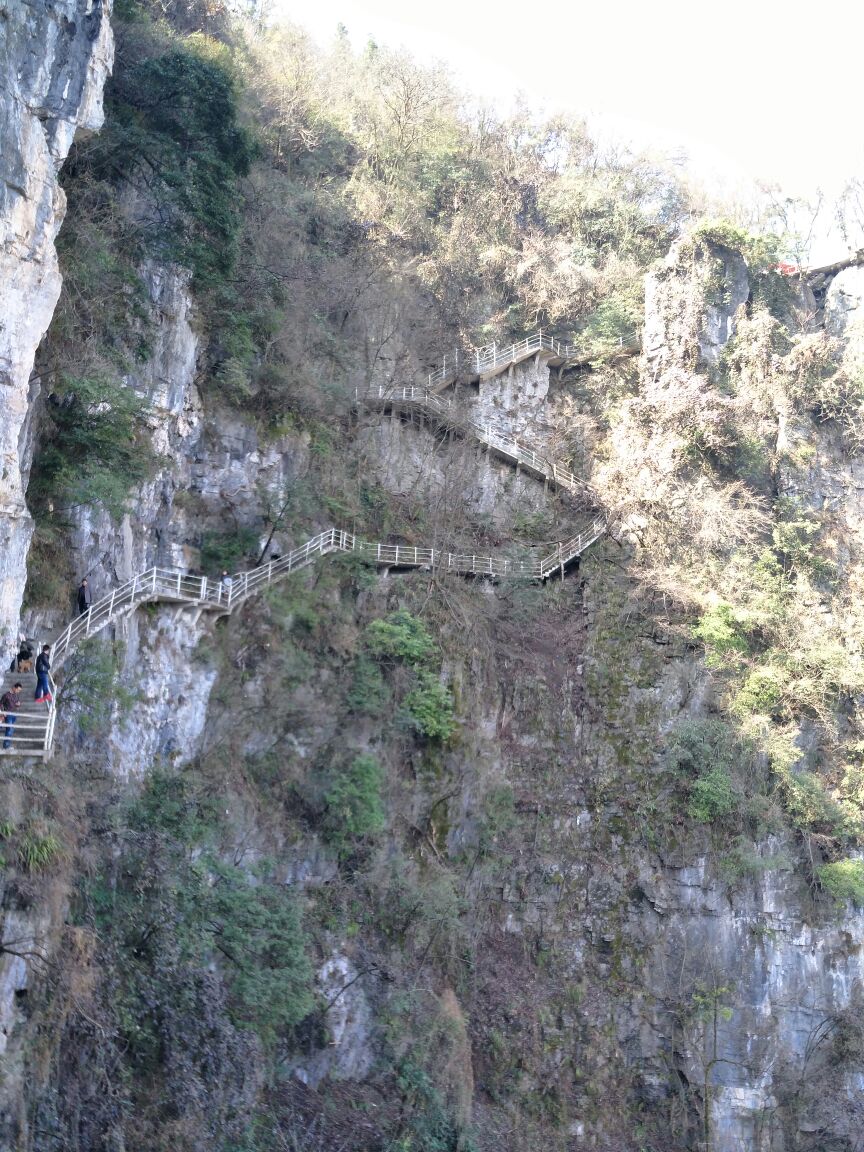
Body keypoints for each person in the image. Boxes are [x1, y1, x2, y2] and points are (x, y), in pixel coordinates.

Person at [1, 682, 22, 749]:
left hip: (14, 714)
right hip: (8, 714)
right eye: (18, 690)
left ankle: (6, 745)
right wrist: (3, 712)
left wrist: (19, 704)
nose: (18, 691)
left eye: (19, 691)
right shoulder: (6, 695)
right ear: (14, 688)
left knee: (9, 729)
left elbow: (17, 703)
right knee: (10, 729)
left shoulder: (16, 695)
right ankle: (6, 746)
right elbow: (1, 704)